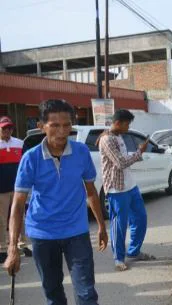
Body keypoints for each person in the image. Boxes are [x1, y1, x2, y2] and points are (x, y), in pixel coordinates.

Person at [4, 99, 108, 305]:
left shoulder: (81, 152)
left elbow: (91, 192)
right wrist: (13, 248)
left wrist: (102, 226)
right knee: (53, 294)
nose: (62, 131)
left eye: (67, 125)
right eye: (55, 125)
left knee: (87, 293)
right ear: (41, 126)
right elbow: (17, 204)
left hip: (76, 232)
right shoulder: (30, 159)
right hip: (43, 234)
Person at [98, 109, 154, 271]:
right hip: (117, 189)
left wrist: (137, 153)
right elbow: (121, 162)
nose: (128, 128)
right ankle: (118, 258)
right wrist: (139, 152)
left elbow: (123, 158)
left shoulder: (118, 136)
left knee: (140, 219)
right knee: (119, 225)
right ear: (118, 123)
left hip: (130, 185)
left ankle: (134, 252)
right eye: (127, 124)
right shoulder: (106, 140)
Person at [0, 116, 32, 263]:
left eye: (9, 128)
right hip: (2, 190)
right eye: (3, 128)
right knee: (2, 220)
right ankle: (2, 248)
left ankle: (23, 244)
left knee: (21, 217)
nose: (6, 131)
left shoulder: (20, 144)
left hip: (19, 189)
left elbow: (26, 164)